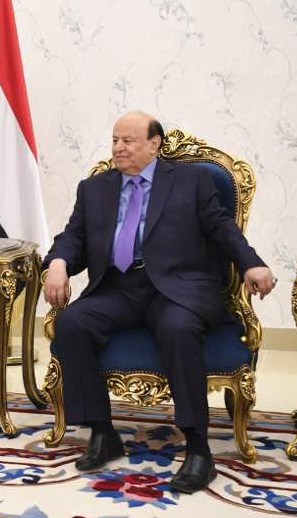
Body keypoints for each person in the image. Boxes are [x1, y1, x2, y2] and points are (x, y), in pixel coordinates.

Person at [41, 111, 276, 494]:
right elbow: (74, 236)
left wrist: (252, 264)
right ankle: (102, 433)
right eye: (115, 140)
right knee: (72, 323)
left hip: (176, 288)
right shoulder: (94, 188)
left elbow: (222, 228)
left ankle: (198, 449)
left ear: (155, 144)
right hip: (118, 288)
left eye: (128, 141)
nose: (119, 147)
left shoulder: (191, 181)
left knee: (177, 327)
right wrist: (58, 264)